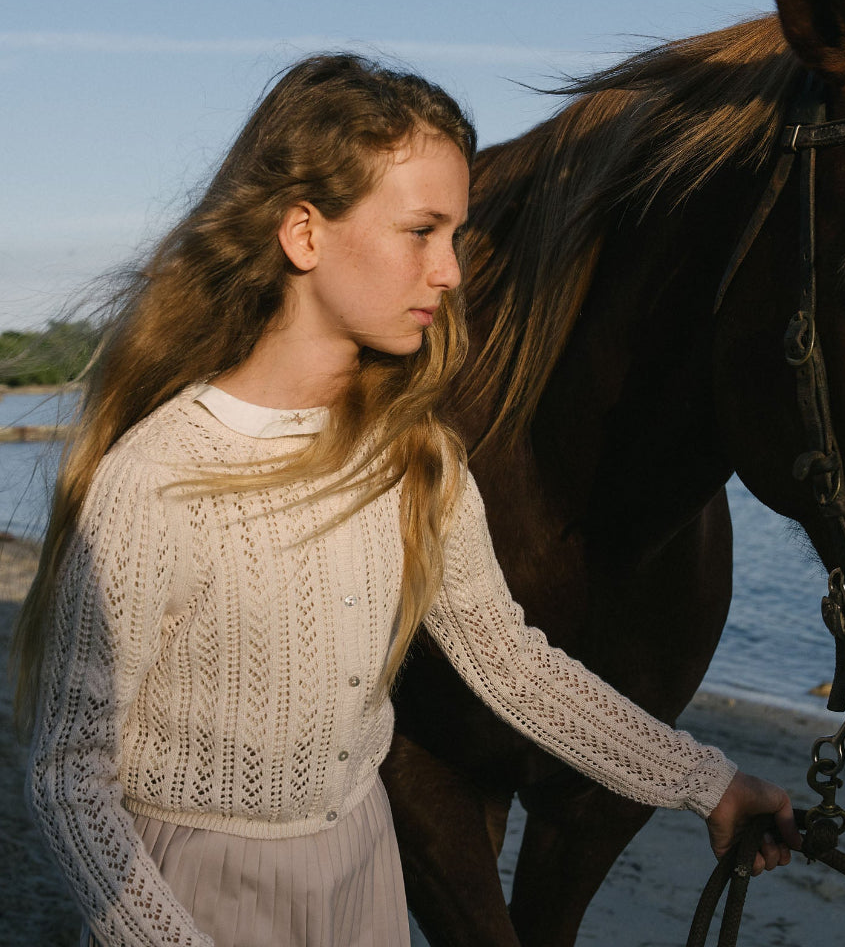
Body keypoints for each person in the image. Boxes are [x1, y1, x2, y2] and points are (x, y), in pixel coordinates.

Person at [12, 54, 800, 947]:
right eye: (421, 231)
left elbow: (509, 663)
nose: (450, 272)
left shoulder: (415, 455)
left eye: (456, 236)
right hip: (192, 898)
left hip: (362, 878)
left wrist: (707, 781)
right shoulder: (157, 480)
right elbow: (70, 776)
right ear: (304, 235)